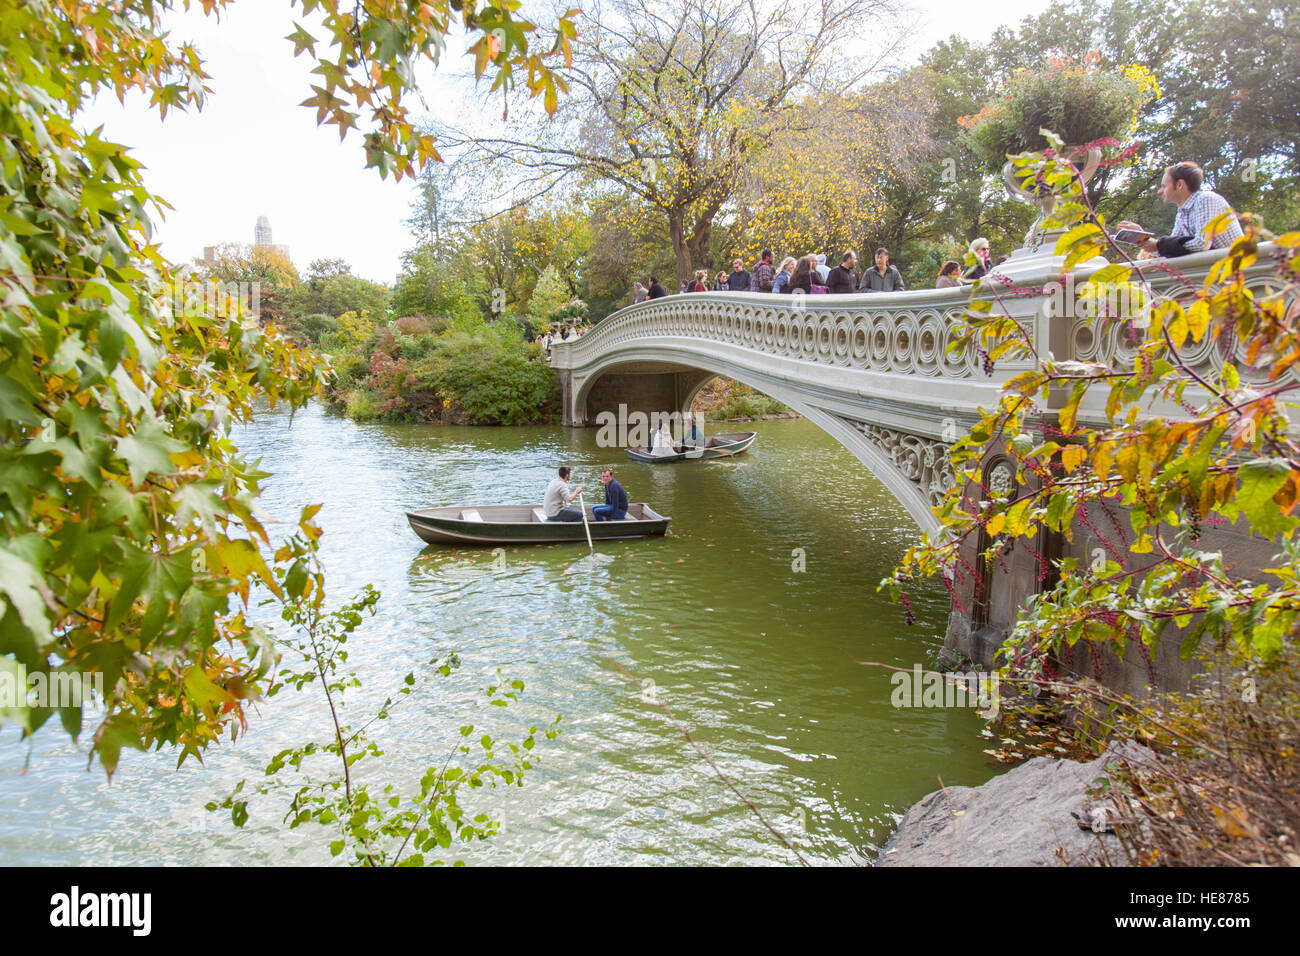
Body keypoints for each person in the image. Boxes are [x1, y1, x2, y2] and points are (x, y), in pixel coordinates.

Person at [1116, 161, 1244, 258]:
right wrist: (1144, 238)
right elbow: (1172, 248)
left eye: (1164, 186)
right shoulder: (1182, 212)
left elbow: (1201, 244)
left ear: (1179, 185)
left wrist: (1158, 244)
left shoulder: (1206, 199)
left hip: (1238, 272)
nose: (1160, 191)